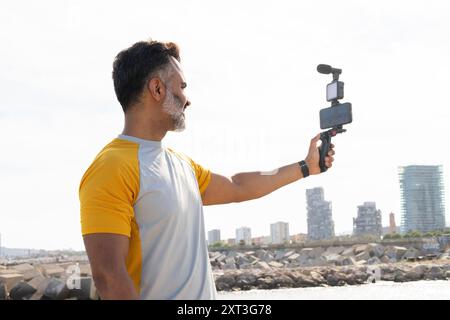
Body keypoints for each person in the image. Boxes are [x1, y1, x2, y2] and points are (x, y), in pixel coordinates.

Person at [79, 39, 335, 300]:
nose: (186, 99)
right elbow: (109, 277)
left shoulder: (181, 164)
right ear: (156, 88)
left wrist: (305, 167)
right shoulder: (110, 168)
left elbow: (238, 186)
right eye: (181, 86)